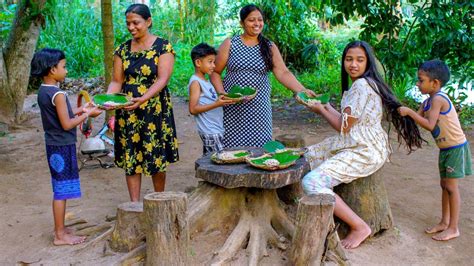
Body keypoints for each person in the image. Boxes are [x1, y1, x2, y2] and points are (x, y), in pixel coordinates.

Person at [301, 41, 424, 249]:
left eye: (360, 60)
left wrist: (321, 110)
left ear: (368, 62)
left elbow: (344, 126)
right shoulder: (364, 84)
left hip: (363, 150)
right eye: (349, 59)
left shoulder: (361, 85)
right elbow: (348, 122)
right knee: (306, 156)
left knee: (311, 182)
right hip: (358, 143)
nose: (353, 64)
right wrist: (325, 106)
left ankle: (359, 226)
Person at [210, 4, 314, 148]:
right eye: (251, 20)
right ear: (242, 23)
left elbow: (283, 72)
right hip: (232, 106)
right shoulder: (230, 43)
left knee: (260, 149)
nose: (257, 23)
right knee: (231, 149)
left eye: (260, 20)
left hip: (259, 108)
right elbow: (215, 72)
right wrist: (222, 93)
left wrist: (301, 90)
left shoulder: (269, 46)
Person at [106, 4, 179, 201]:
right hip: (128, 111)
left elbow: (162, 80)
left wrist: (143, 99)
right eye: (128, 23)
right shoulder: (122, 50)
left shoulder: (163, 47)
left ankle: (159, 201)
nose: (131, 27)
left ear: (148, 21)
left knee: (156, 157)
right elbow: (116, 81)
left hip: (154, 111)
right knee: (132, 158)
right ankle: (134, 205)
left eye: (136, 22)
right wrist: (105, 101)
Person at [31, 48, 102, 245]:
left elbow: (63, 114)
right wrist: (88, 115)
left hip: (53, 145)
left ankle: (61, 228)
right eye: (64, 66)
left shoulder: (44, 91)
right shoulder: (59, 94)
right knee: (61, 191)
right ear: (53, 69)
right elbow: (67, 123)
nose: (67, 70)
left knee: (59, 187)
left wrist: (83, 108)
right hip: (62, 146)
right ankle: (60, 235)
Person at [398, 60, 472, 241]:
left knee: (452, 188)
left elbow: (430, 125)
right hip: (446, 150)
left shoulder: (438, 99)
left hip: (455, 148)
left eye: (421, 80)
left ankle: (454, 228)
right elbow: (417, 119)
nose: (417, 83)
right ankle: (444, 222)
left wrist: (409, 112)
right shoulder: (427, 102)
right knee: (444, 185)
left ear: (435, 83)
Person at [188, 43, 236, 155]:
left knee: (209, 161)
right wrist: (217, 104)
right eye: (210, 62)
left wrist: (224, 98)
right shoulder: (196, 82)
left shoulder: (206, 81)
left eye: (214, 62)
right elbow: (193, 109)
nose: (214, 66)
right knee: (218, 162)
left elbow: (210, 99)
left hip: (215, 129)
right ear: (198, 62)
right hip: (210, 131)